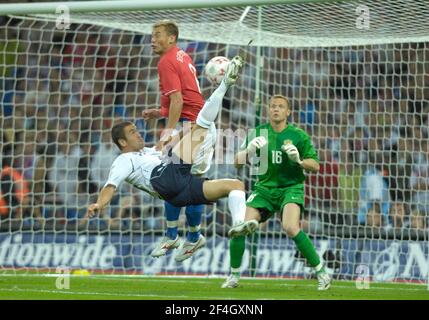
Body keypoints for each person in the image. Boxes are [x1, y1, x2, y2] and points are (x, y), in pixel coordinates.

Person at [86, 56, 245, 262]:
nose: (139, 133)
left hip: (177, 192)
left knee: (236, 185)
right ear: (122, 143)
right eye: (133, 132)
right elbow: (110, 186)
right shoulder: (124, 160)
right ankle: (225, 84)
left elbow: (176, 141)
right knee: (201, 124)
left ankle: (236, 225)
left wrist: (175, 136)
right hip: (165, 180)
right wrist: (99, 204)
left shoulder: (149, 152)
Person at [222, 95, 332, 291]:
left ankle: (322, 272)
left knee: (290, 227)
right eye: (273, 106)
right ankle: (234, 275)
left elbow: (315, 165)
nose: (276, 109)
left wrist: (298, 161)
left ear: (287, 112)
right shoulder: (258, 132)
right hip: (263, 189)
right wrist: (247, 151)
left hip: (290, 188)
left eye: (281, 107)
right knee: (239, 227)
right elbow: (237, 163)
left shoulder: (298, 135)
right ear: (268, 110)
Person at [141, 20, 216, 260]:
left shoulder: (167, 61)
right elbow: (184, 97)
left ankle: (186, 237)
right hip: (195, 125)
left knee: (181, 183)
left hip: (195, 128)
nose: (153, 39)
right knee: (173, 182)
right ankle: (180, 236)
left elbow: (178, 102)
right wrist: (159, 113)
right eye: (152, 35)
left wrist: (168, 133)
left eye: (158, 35)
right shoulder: (180, 55)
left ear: (171, 38)